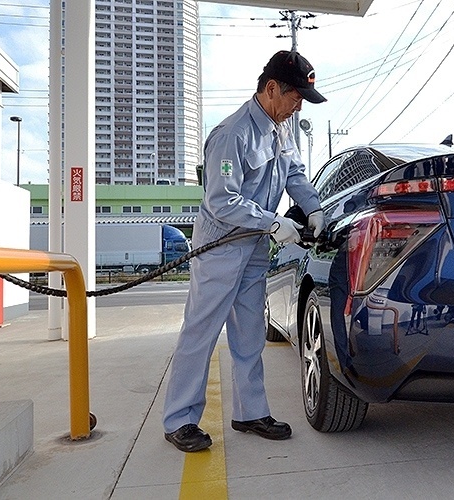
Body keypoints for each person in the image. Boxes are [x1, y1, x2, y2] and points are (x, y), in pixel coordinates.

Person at [162, 50, 327, 452]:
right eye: (295, 97)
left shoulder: (281, 129)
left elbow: (294, 173)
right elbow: (221, 199)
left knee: (250, 335)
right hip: (220, 247)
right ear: (272, 89)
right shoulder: (232, 134)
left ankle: (250, 412)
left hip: (253, 249)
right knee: (201, 333)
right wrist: (273, 222)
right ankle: (179, 420)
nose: (298, 105)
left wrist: (314, 206)